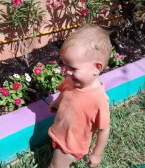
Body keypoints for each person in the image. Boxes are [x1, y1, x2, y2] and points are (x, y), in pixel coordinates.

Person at [48, 24, 112, 168]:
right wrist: (56, 103)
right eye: (66, 66)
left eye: (73, 68)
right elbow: (64, 93)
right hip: (61, 132)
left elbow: (104, 129)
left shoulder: (98, 99)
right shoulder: (71, 81)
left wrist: (97, 154)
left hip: (72, 144)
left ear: (97, 67)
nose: (67, 72)